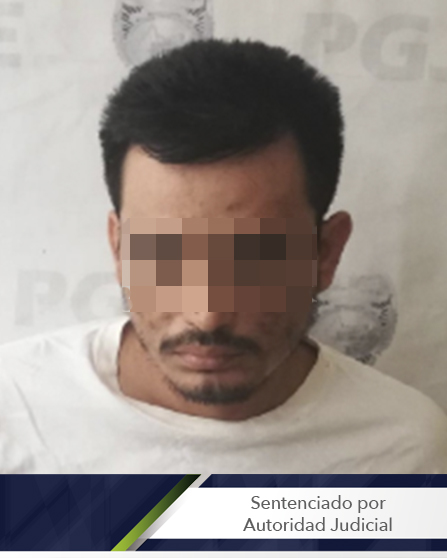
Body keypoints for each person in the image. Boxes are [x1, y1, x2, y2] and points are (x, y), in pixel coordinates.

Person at [1, 39, 446, 474]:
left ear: (325, 254)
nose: (208, 315)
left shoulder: (402, 453)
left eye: (255, 259)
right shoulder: (15, 414)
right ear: (119, 248)